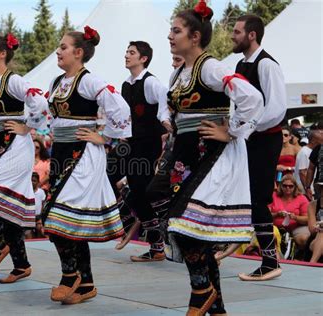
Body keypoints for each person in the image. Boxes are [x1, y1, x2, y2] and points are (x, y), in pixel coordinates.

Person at [145, 1, 264, 314]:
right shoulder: (179, 73)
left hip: (209, 154)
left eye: (176, 30)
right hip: (184, 154)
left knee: (183, 225)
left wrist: (234, 131)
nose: (170, 35)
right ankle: (217, 306)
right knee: (169, 210)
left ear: (195, 36)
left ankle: (201, 291)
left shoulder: (211, 67)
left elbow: (251, 97)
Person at [42, 25, 131, 305]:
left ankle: (70, 275)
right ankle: (87, 283)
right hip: (60, 153)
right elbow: (50, 117)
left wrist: (103, 136)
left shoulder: (90, 81)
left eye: (64, 46)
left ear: (79, 52)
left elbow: (122, 110)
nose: (58, 50)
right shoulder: (57, 82)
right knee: (71, 220)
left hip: (83, 154)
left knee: (55, 218)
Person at [0, 33, 48, 284]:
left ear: (3, 53)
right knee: (3, 207)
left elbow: (40, 103)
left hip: (14, 144)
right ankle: (21, 265)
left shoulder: (13, 80)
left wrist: (27, 126)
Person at [231, 14, 287, 281]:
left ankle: (270, 261)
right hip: (248, 138)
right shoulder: (241, 64)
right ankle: (238, 240)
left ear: (251, 35)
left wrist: (245, 129)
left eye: (237, 31)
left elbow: (276, 110)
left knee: (258, 198)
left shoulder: (267, 65)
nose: (232, 36)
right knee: (242, 194)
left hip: (264, 139)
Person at [107, 40, 169, 261]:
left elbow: (165, 109)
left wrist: (166, 135)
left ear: (143, 58)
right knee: (110, 173)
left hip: (148, 145)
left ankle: (157, 244)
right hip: (131, 143)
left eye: (131, 52)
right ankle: (156, 241)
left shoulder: (152, 83)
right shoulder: (125, 84)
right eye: (126, 51)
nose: (126, 55)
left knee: (140, 192)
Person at [269, 175, 310, 250]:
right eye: (285, 186)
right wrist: (277, 214)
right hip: (275, 227)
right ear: (280, 186)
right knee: (269, 238)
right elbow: (265, 214)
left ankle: (299, 256)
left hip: (296, 226)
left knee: (303, 239)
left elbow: (308, 219)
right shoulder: (273, 196)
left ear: (295, 187)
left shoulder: (301, 198)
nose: (287, 188)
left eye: (291, 186)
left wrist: (295, 217)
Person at [307, 196, 323, 263]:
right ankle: (312, 263)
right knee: (321, 232)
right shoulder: (313, 205)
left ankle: (312, 263)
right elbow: (312, 230)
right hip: (315, 238)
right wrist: (320, 225)